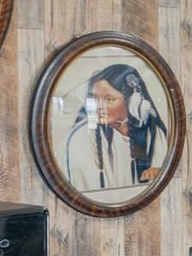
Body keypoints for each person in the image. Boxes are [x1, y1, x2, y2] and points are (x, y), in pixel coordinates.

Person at [65, 63, 169, 198]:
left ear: (132, 101)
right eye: (95, 98)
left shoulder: (152, 134)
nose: (99, 106)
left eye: (109, 99)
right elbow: (85, 191)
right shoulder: (82, 137)